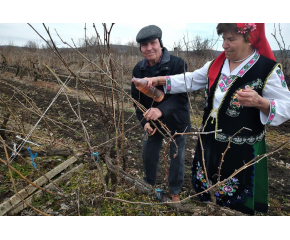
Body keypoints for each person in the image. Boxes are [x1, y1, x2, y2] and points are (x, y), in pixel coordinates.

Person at [142, 23, 290, 214]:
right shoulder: (217, 64)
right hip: (210, 142)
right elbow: (192, 79)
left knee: (237, 199)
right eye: (223, 39)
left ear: (248, 39)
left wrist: (260, 102)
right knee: (211, 192)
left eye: (231, 39)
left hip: (242, 147)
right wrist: (158, 81)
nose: (224, 45)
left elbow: (286, 106)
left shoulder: (267, 69)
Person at [131, 25, 190, 202]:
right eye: (144, 45)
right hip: (153, 122)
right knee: (148, 152)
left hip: (177, 120)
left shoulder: (177, 64)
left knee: (177, 157)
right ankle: (148, 184)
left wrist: (161, 110)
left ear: (160, 43)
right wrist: (144, 122)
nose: (149, 48)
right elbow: (136, 99)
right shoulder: (138, 69)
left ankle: (175, 190)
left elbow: (182, 97)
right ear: (140, 48)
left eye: (152, 43)